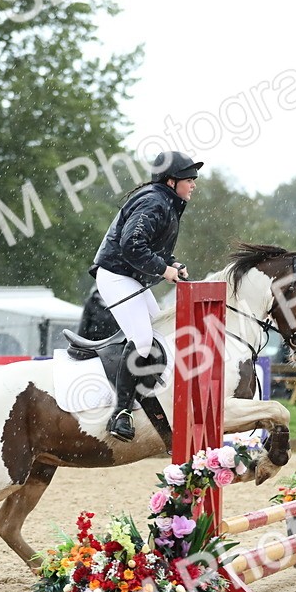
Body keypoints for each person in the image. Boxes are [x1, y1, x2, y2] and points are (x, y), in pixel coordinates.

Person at [90, 150, 202, 441]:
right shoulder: (154, 201)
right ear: (171, 181)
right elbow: (132, 244)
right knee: (142, 340)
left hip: (130, 277)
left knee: (161, 335)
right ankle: (120, 414)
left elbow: (153, 248)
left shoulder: (167, 202)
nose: (193, 184)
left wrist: (172, 263)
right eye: (189, 179)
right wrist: (164, 270)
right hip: (116, 276)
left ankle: (151, 406)